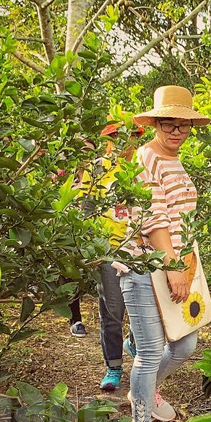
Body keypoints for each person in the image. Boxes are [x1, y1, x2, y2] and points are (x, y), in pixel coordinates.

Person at [113, 85, 209, 422]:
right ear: (155, 123)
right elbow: (153, 219)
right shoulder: (146, 157)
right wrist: (172, 267)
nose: (177, 131)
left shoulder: (173, 159)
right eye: (169, 124)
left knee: (185, 344)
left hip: (174, 262)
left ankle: (145, 390)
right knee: (151, 352)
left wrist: (185, 264)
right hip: (146, 265)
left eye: (183, 125)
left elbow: (180, 217)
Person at [64, 124, 142, 391]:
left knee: (143, 308)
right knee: (112, 311)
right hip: (108, 250)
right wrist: (93, 248)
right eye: (118, 137)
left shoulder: (142, 167)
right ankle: (114, 367)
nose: (125, 143)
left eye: (132, 137)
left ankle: (134, 343)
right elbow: (86, 208)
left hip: (141, 251)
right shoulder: (98, 169)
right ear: (108, 140)